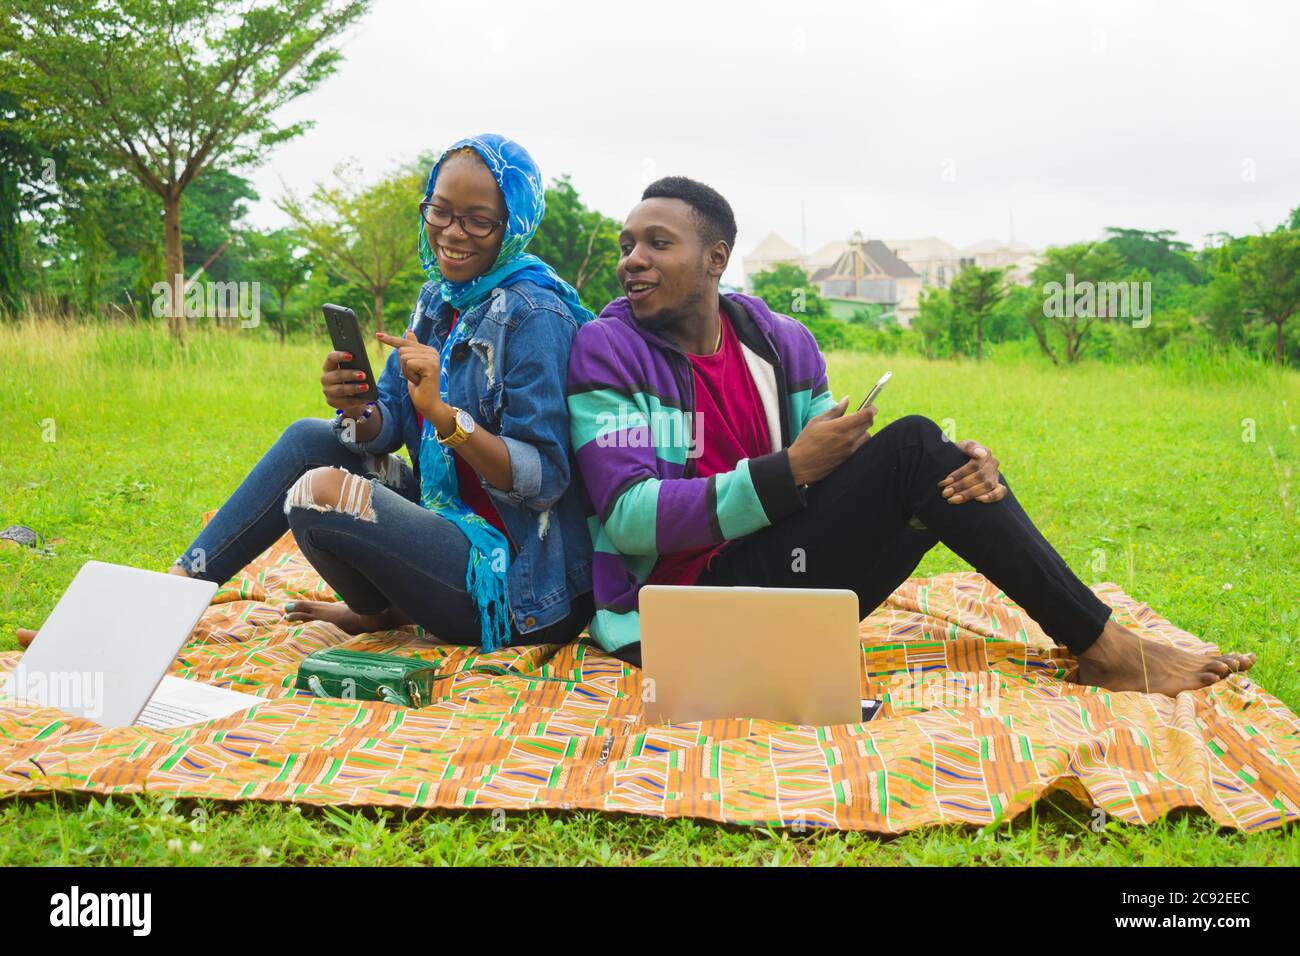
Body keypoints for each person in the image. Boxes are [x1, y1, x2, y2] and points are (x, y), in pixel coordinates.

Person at [564, 175, 1255, 696]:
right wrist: (788, 472)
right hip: (680, 618)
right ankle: (1105, 647)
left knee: (940, 464)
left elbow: (832, 478)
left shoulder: (780, 343)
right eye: (628, 245)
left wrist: (959, 471)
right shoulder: (608, 350)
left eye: (658, 243)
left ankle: (1101, 646)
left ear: (716, 260)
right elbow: (627, 520)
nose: (632, 260)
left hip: (784, 588)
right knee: (918, 448)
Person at [19, 134, 595, 653]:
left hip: (517, 581)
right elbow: (390, 421)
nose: (452, 233)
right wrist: (359, 408)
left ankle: (383, 610)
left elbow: (543, 477)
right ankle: (160, 605)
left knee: (322, 495)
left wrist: (445, 418)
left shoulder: (533, 315)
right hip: (450, 520)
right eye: (440, 212)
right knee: (309, 441)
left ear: (513, 225)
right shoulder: (441, 296)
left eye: (478, 221)